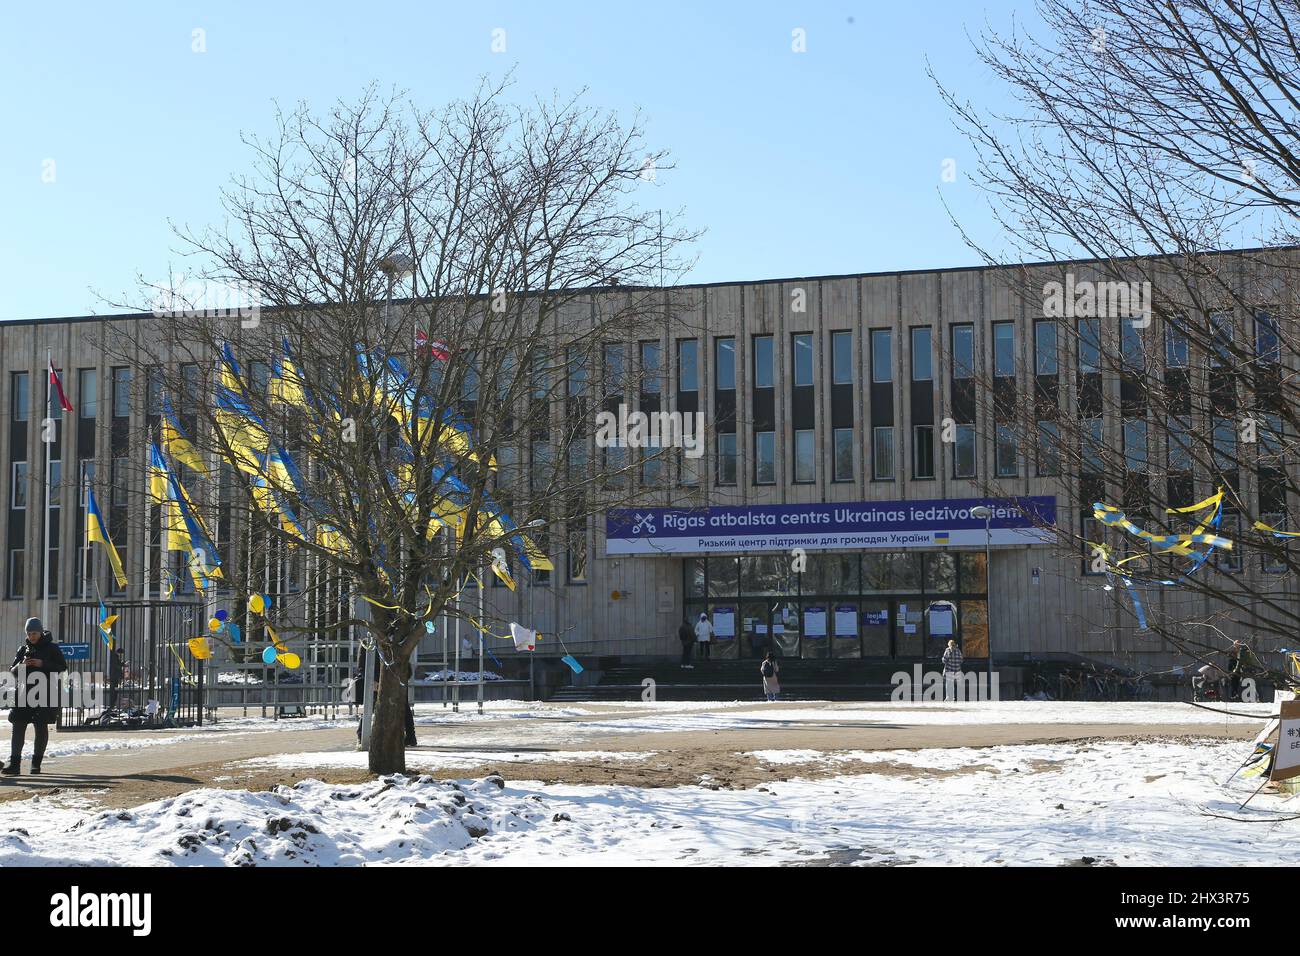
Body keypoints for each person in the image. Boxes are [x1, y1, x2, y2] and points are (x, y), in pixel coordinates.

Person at [3, 618, 68, 776]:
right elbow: (12, 670)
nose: (32, 636)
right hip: (23, 693)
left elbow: (62, 668)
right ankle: (14, 764)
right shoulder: (23, 649)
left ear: (40, 632)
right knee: (18, 726)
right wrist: (21, 665)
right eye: (29, 633)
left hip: (44, 693)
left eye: (34, 633)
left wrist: (42, 664)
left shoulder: (52, 648)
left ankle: (36, 764)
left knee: (40, 727)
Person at [106, 646, 126, 713]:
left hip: (114, 677)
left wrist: (122, 664)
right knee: (114, 692)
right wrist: (123, 665)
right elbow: (116, 666)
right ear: (119, 653)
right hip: (114, 677)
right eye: (121, 654)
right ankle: (112, 705)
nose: (121, 656)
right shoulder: (114, 657)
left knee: (115, 691)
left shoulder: (115, 657)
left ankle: (113, 705)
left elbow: (117, 665)